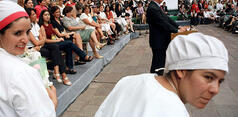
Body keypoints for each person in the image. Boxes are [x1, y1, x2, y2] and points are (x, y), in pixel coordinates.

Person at [95, 33, 229, 117]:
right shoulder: (174, 111)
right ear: (181, 70)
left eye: (220, 81)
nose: (215, 90)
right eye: (208, 77)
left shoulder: (128, 81)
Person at [0, 1, 57, 116]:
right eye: (17, 33)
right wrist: (53, 101)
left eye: (27, 32)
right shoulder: (21, 72)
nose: (26, 39)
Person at [146, 0, 186, 76]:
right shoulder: (153, 8)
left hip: (161, 41)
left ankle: (157, 79)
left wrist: (178, 26)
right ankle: (154, 82)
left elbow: (167, 19)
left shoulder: (156, 6)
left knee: (160, 63)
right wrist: (177, 30)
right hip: (158, 41)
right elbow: (162, 23)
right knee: (157, 65)